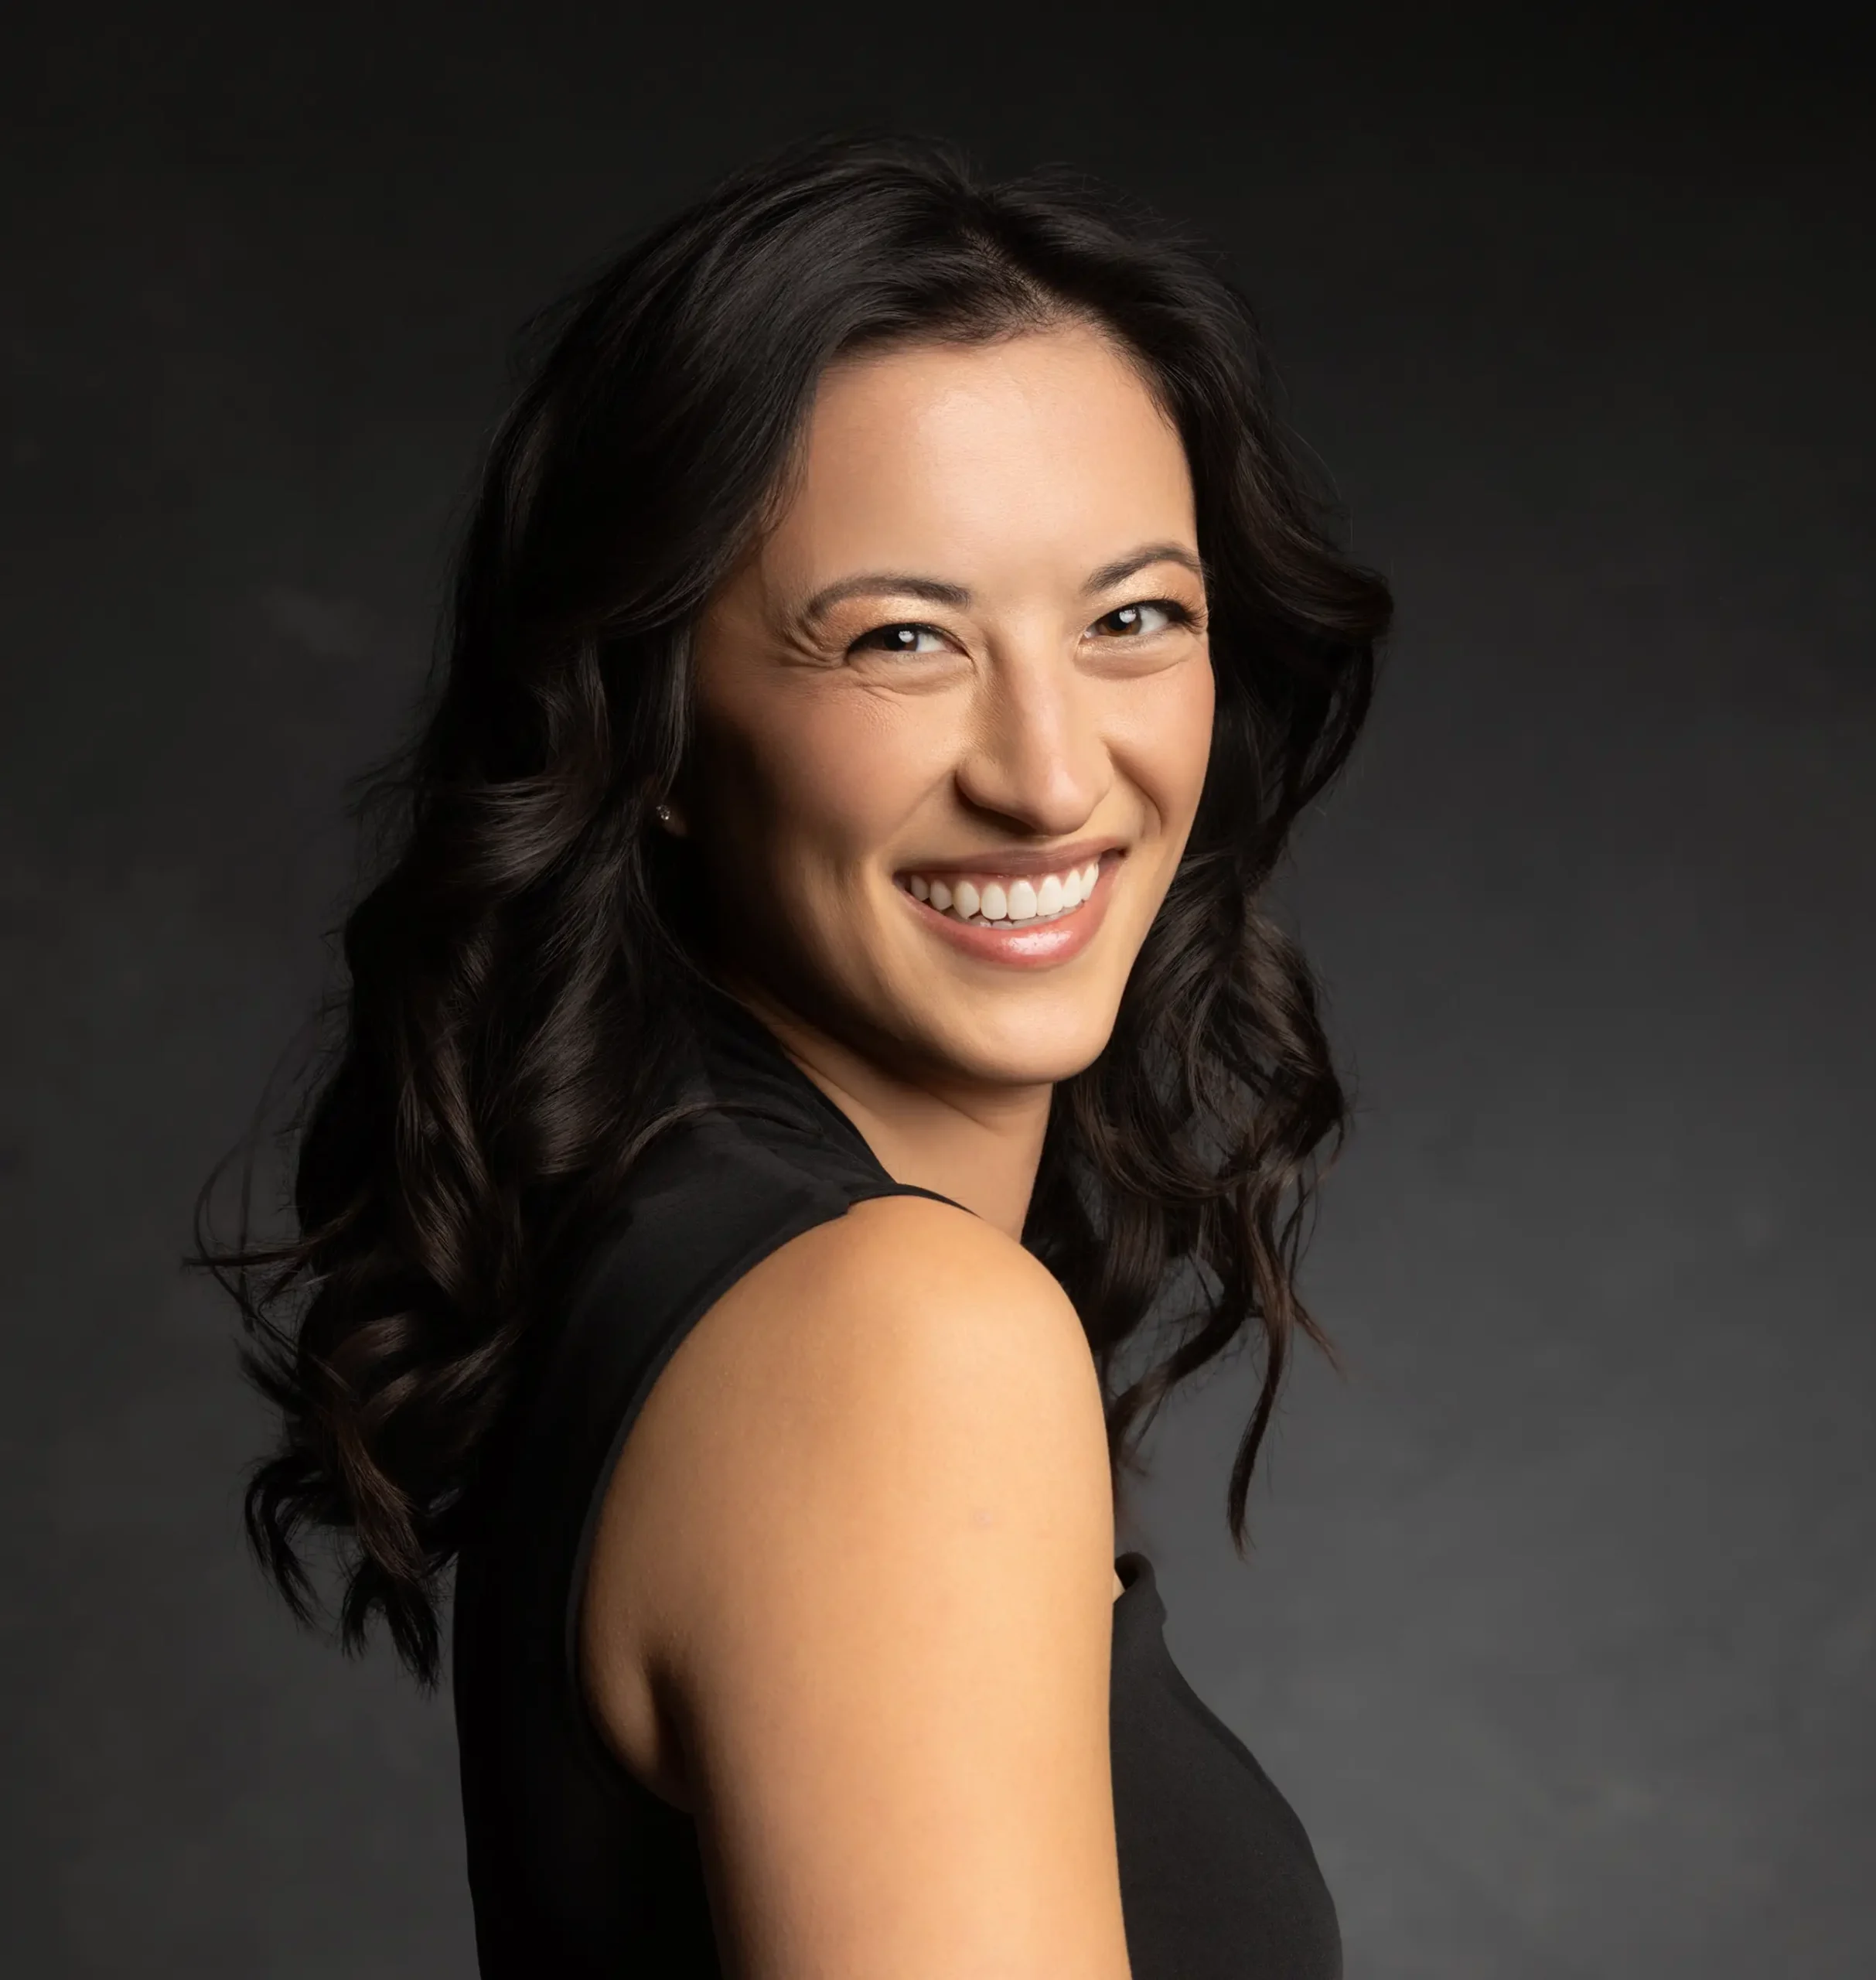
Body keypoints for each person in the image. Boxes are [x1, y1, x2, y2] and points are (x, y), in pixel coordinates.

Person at [203, 135, 1391, 1979]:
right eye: (901, 639)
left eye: (1131, 618)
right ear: (656, 729)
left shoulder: (705, 1273)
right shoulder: (889, 1339)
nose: (1053, 773)